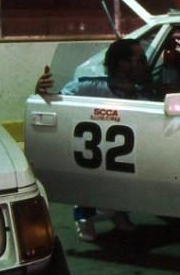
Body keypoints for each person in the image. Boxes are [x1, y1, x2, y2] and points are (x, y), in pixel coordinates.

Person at [35, 38, 151, 241]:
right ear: (123, 65)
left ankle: (118, 212)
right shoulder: (88, 87)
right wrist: (41, 92)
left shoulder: (143, 97)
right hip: (89, 158)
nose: (146, 64)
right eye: (140, 60)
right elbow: (55, 103)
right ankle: (83, 217)